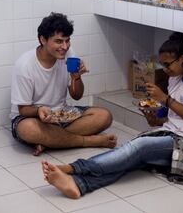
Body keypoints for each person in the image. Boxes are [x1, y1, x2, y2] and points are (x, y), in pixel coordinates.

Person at [42, 32, 183, 199]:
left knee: (138, 147)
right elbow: (171, 117)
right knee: (129, 161)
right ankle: (79, 185)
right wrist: (153, 118)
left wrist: (165, 99)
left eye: (168, 64)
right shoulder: (175, 79)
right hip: (171, 133)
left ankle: (72, 168)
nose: (165, 70)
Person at [10, 12, 116, 156]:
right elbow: (23, 109)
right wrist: (39, 110)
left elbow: (77, 96)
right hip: (33, 117)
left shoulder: (69, 54)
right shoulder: (25, 65)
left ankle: (50, 141)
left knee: (104, 116)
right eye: (59, 41)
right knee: (28, 129)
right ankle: (88, 141)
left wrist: (76, 78)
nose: (64, 46)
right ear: (43, 40)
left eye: (67, 40)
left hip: (62, 114)